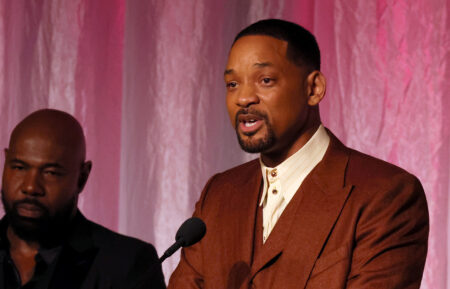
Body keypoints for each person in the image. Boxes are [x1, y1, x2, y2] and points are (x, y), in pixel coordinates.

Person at [168, 19, 429, 289]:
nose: (243, 98)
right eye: (232, 84)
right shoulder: (218, 195)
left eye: (265, 80)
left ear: (313, 89)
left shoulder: (386, 194)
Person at [0, 109, 165, 289]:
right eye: (19, 168)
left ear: (82, 177)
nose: (30, 187)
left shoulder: (127, 264)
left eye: (51, 173)